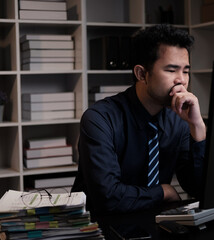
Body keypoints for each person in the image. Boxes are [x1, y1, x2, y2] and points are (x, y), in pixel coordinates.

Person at [72, 24, 206, 220]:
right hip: (103, 227)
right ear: (142, 74)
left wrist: (198, 127)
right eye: (171, 70)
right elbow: (108, 198)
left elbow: (198, 188)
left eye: (185, 71)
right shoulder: (100, 118)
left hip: (158, 224)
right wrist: (163, 192)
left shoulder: (178, 121)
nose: (182, 81)